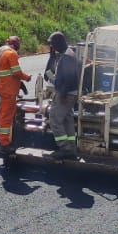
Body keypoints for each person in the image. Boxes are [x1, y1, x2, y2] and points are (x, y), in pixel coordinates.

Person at [0, 35, 32, 155]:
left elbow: (6, 73)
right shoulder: (11, 54)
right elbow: (16, 72)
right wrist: (27, 78)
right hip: (9, 91)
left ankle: (0, 140)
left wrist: (17, 82)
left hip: (3, 87)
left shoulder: (0, 54)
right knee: (6, 117)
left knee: (2, 115)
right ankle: (4, 143)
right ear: (16, 46)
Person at [45, 31, 79, 160]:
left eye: (53, 44)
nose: (52, 47)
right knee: (67, 119)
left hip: (65, 93)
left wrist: (63, 93)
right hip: (69, 93)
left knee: (54, 118)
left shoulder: (67, 57)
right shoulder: (67, 54)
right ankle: (71, 147)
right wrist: (52, 55)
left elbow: (70, 78)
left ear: (58, 43)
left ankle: (64, 148)